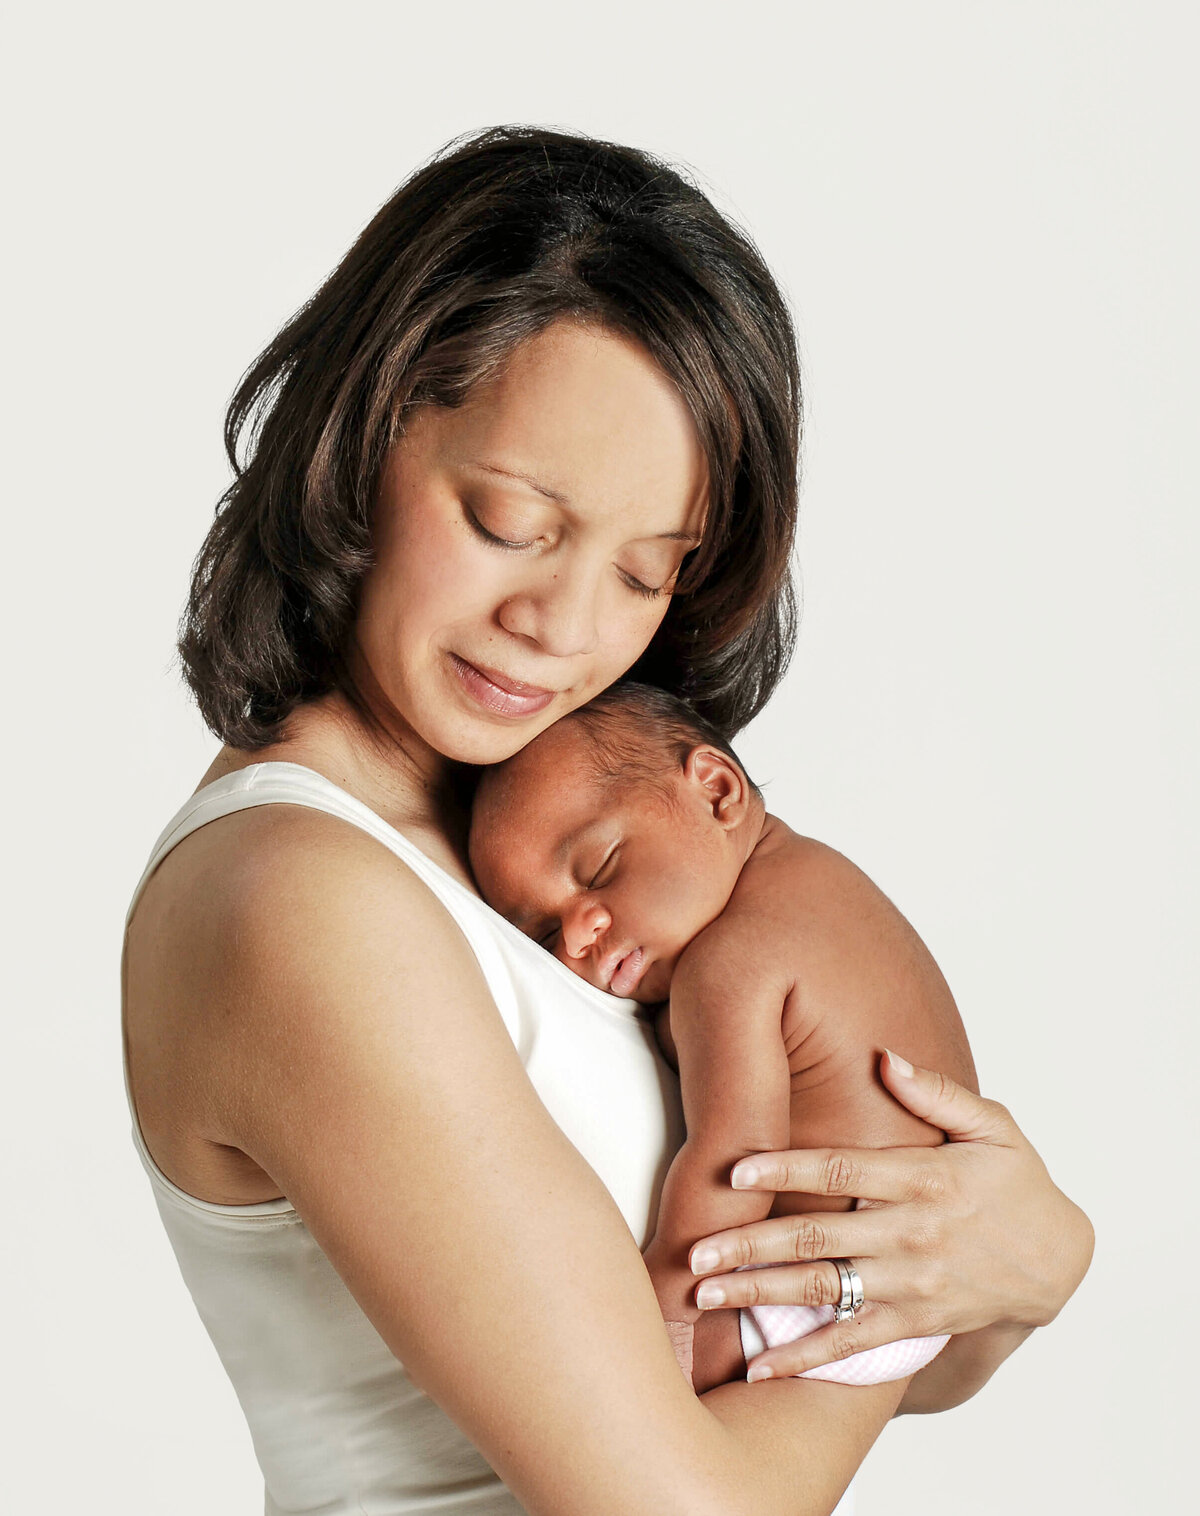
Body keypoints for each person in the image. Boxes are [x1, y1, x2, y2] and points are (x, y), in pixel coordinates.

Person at [121, 125, 1093, 1516]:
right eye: (513, 522)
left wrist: (1002, 1276)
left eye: (647, 571)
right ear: (362, 438)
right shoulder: (297, 898)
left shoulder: (532, 830)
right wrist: (1004, 1275)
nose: (564, 627)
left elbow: (818, 1331)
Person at [468, 680, 977, 1395]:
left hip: (826, 1299)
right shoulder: (819, 877)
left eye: (599, 869)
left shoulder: (728, 964)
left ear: (715, 790)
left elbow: (737, 1160)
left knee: (560, 1378)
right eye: (546, 932)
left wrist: (665, 1310)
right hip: (928, 1272)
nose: (580, 932)